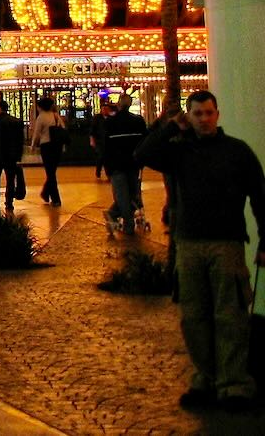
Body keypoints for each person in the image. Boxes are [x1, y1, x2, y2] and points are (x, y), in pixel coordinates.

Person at [136, 91, 265, 412]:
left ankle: (233, 384)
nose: (204, 119)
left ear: (217, 114)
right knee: (194, 317)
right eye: (197, 114)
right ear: (189, 116)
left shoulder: (237, 152)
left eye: (209, 113)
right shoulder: (179, 151)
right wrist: (171, 126)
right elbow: (143, 153)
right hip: (189, 244)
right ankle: (206, 379)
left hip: (227, 243)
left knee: (230, 315)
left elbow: (260, 196)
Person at [102, 94, 148, 235]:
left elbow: (106, 147)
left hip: (116, 164)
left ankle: (120, 218)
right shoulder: (138, 121)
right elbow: (144, 142)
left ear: (118, 104)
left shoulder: (110, 122)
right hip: (133, 164)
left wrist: (107, 167)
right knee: (133, 195)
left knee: (122, 195)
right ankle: (121, 219)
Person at [30, 96, 65, 207]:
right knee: (52, 172)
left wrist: (33, 146)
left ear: (41, 107)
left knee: (50, 173)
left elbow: (36, 133)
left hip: (46, 146)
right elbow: (62, 130)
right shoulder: (56, 116)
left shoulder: (41, 117)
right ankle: (46, 193)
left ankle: (55, 198)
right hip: (57, 146)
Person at [0, 101, 25, 211]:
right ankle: (9, 202)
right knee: (10, 180)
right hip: (11, 155)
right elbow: (20, 141)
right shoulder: (16, 122)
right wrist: (18, 156)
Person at [90, 98, 113, 180]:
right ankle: (98, 173)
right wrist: (92, 140)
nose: (105, 110)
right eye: (104, 108)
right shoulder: (97, 118)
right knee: (101, 156)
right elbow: (92, 130)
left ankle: (108, 174)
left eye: (107, 108)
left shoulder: (111, 118)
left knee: (108, 158)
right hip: (99, 141)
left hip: (109, 141)